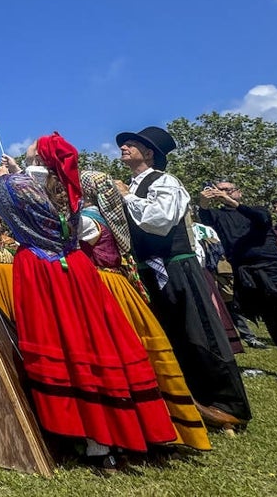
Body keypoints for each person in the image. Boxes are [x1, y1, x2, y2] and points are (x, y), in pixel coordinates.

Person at [0, 134, 176, 466]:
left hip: (42, 272)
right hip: (78, 270)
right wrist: (20, 172)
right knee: (94, 342)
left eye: (29, 156)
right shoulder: (69, 186)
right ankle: (120, 428)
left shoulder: (20, 184)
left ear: (39, 161)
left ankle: (83, 431)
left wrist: (8, 176)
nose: (23, 160)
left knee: (61, 343)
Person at [113, 126, 251, 430]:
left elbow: (159, 221)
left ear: (148, 154)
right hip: (150, 268)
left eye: (132, 144)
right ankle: (194, 399)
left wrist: (126, 197)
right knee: (173, 332)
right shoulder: (131, 187)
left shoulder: (165, 181)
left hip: (177, 265)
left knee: (201, 330)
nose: (124, 147)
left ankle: (230, 405)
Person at [76, 170, 211, 451]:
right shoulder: (104, 218)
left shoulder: (87, 221)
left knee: (111, 352)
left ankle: (128, 424)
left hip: (102, 287)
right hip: (116, 285)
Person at [197, 180, 277, 383]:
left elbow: (260, 218)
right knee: (273, 322)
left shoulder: (256, 211)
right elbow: (205, 217)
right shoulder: (219, 215)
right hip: (247, 273)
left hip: (272, 269)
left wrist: (227, 199)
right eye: (220, 190)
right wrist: (203, 201)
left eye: (228, 190)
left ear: (238, 193)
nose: (223, 193)